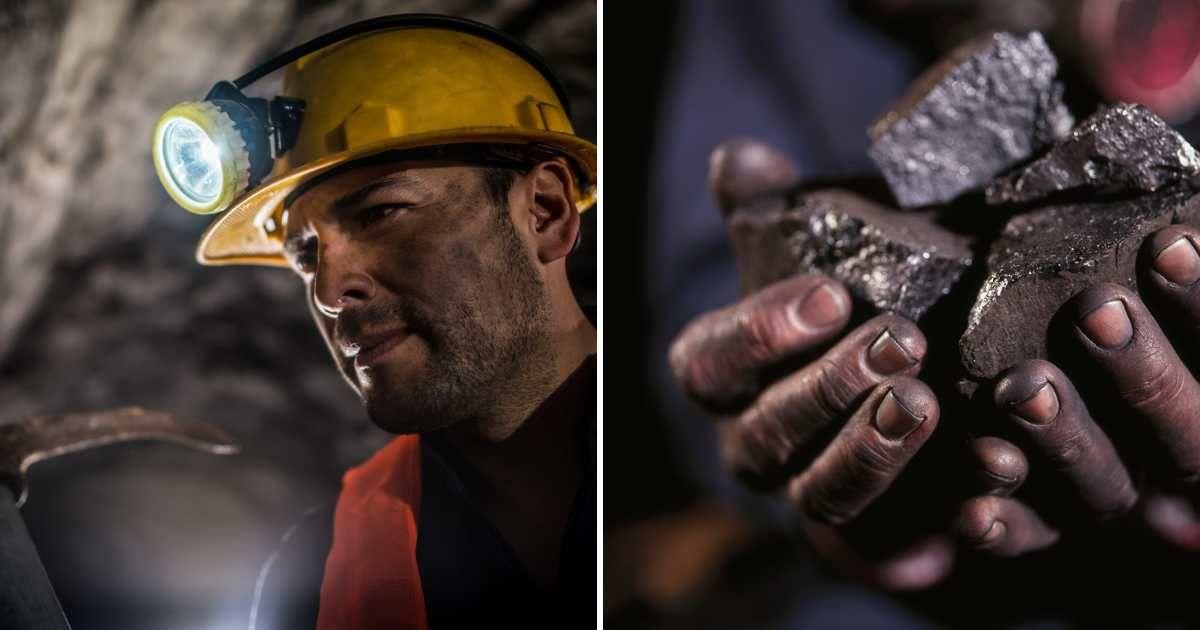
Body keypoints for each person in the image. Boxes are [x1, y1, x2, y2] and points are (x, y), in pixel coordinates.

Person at [151, 15, 597, 630]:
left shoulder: (694, 438)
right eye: (305, 257)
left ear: (545, 213)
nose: (331, 291)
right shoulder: (313, 576)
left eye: (383, 212)